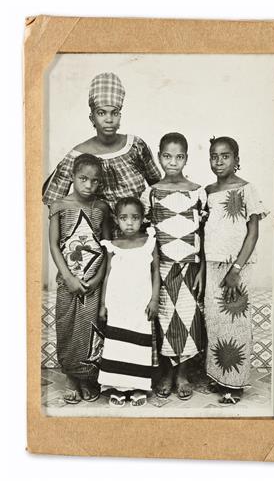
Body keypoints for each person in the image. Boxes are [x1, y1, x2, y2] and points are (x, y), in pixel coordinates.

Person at [43, 72, 161, 227]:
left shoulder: (135, 146)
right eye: (101, 113)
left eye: (114, 113)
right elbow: (53, 200)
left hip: (140, 233)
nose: (109, 119)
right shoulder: (78, 155)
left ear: (120, 116)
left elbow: (158, 185)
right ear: (92, 118)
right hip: (102, 239)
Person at [141, 132, 207, 401]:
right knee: (166, 321)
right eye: (167, 156)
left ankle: (182, 373)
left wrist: (202, 268)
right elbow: (147, 233)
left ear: (186, 159)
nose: (173, 161)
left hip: (189, 266)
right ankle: (167, 372)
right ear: (159, 157)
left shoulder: (197, 191)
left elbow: (205, 230)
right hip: (163, 267)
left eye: (179, 156)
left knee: (188, 321)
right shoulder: (151, 193)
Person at [204, 136, 268, 404]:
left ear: (236, 159)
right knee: (215, 323)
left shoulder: (246, 189)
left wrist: (236, 268)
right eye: (214, 156)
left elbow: (252, 233)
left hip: (236, 268)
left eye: (225, 156)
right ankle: (219, 376)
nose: (219, 161)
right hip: (212, 265)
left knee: (236, 322)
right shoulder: (207, 191)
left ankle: (235, 385)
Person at [48, 154, 111, 404]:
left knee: (91, 329)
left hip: (93, 282)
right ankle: (72, 377)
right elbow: (53, 245)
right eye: (83, 179)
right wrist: (68, 276)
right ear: (72, 177)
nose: (88, 185)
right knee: (66, 326)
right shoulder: (59, 205)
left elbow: (107, 247)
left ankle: (88, 378)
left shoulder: (102, 208)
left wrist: (97, 279)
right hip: (68, 282)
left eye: (95, 181)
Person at [98, 197, 160, 407]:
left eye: (135, 217)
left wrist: (154, 299)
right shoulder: (113, 246)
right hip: (118, 305)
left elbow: (155, 272)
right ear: (116, 220)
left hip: (139, 305)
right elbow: (107, 275)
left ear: (143, 219)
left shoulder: (149, 241)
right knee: (118, 345)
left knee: (138, 345)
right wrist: (103, 305)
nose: (130, 223)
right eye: (124, 218)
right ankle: (117, 387)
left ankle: (138, 386)